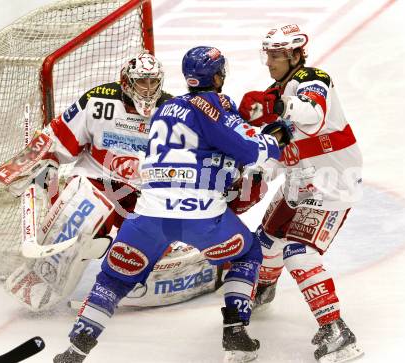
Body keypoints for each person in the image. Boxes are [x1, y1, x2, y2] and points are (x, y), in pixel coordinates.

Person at [53, 45, 292, 363]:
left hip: (149, 213)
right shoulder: (216, 104)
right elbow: (247, 150)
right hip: (201, 215)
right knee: (248, 253)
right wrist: (274, 140)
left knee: (113, 279)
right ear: (218, 75)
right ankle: (235, 332)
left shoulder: (166, 108)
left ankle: (75, 350)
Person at [4, 51, 220, 311]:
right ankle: (44, 273)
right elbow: (58, 137)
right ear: (127, 82)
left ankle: (139, 264)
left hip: (146, 193)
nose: (148, 89)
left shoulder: (174, 111)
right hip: (96, 181)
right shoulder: (98, 101)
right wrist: (36, 161)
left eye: (153, 82)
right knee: (78, 223)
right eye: (142, 82)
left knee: (152, 248)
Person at [238, 24, 364, 363]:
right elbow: (277, 151)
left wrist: (277, 107)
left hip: (333, 181)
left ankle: (337, 331)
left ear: (295, 54)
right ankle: (264, 289)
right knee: (265, 241)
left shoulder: (313, 78)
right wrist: (250, 176)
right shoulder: (273, 93)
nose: (270, 61)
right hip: (300, 181)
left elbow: (314, 115)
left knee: (298, 250)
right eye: (268, 53)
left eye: (277, 54)